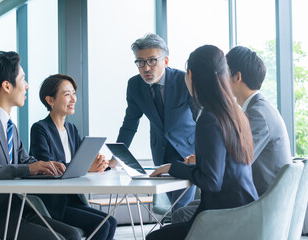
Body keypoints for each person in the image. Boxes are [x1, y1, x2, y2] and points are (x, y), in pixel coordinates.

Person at [0, 51, 80, 240]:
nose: (27, 86)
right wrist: (28, 169)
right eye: (23, 79)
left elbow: (27, 161)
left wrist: (50, 168)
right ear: (7, 86)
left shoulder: (10, 127)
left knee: (72, 234)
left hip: (17, 209)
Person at [146, 45, 258, 240]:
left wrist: (173, 167)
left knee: (154, 238)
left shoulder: (209, 117)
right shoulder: (235, 113)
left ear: (190, 75)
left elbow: (211, 181)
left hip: (223, 219)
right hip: (246, 212)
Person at [172, 46, 293, 224]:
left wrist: (196, 162)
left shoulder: (257, 114)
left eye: (224, 72)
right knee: (188, 210)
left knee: (183, 214)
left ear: (237, 77)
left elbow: (237, 161)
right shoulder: (255, 109)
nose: (219, 77)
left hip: (259, 203)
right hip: (254, 196)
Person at [110, 33, 197, 211]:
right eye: (140, 62)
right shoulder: (135, 85)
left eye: (152, 61)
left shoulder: (183, 81)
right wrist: (116, 158)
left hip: (188, 154)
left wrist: (204, 152)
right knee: (176, 207)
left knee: (180, 207)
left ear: (165, 61)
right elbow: (129, 124)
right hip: (161, 154)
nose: (146, 67)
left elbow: (200, 117)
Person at [29, 74, 117, 240]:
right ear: (50, 100)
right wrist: (85, 166)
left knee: (111, 221)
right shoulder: (40, 129)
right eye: (67, 94)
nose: (73, 99)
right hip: (53, 203)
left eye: (73, 93)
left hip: (72, 198)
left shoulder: (71, 129)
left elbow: (80, 162)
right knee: (103, 225)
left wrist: (100, 164)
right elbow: (48, 167)